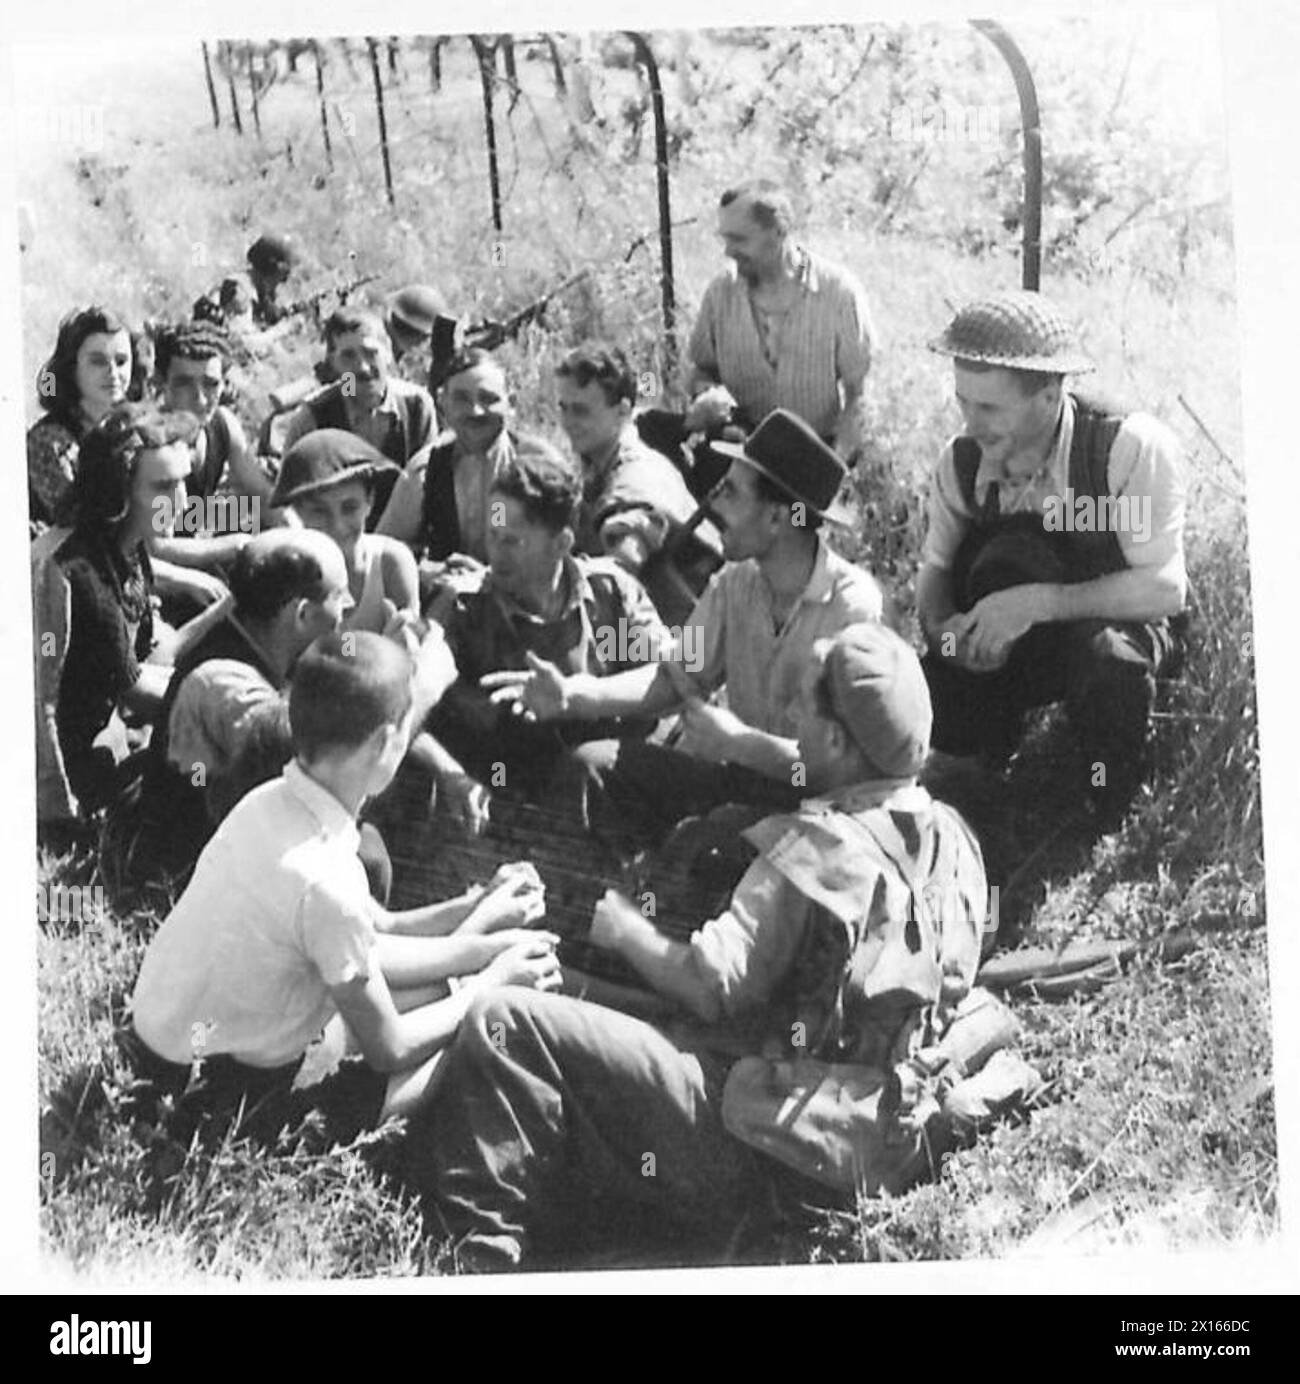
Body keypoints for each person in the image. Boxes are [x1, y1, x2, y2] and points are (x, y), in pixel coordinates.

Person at [406, 623, 991, 1271]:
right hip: (873, 1137)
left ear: (834, 740)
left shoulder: (816, 851)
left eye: (803, 705)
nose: (789, 714)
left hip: (760, 1148)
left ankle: (476, 1264)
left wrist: (621, 924)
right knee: (580, 999)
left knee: (505, 1022)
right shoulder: (954, 837)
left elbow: (708, 988)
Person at [124, 629, 563, 1149]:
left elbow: (367, 944)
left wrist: (482, 933)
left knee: (433, 995)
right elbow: (391, 1049)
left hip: (161, 1057)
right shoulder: (326, 879)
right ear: (383, 743)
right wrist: (489, 984)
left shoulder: (270, 802)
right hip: (205, 1107)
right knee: (464, 1044)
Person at [482, 409, 884, 842]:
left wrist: (741, 745)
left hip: (819, 812)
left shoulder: (851, 610)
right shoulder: (736, 584)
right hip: (742, 779)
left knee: (710, 839)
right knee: (593, 767)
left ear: (776, 519)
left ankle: (655, 896)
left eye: (730, 492)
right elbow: (674, 679)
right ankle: (592, 896)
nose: (712, 503)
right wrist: (573, 695)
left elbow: (837, 771)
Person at [915, 290, 1188, 823]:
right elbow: (935, 578)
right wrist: (949, 640)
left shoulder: (1125, 448)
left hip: (1108, 628)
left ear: (1048, 397)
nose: (971, 422)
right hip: (1009, 637)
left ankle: (1104, 801)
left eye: (989, 407)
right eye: (963, 402)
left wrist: (1037, 603)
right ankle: (981, 783)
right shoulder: (962, 462)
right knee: (927, 689)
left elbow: (1164, 588)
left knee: (1111, 665)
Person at [428, 439, 669, 811]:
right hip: (500, 788)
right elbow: (406, 707)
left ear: (562, 544)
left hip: (604, 783)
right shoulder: (464, 608)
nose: (495, 553)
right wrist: (449, 773)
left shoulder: (609, 597)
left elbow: (671, 678)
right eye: (492, 535)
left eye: (512, 541)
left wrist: (579, 696)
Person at [32, 403, 236, 827]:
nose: (179, 501)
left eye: (183, 483)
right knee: (209, 766)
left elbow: (154, 655)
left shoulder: (125, 547)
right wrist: (229, 710)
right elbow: (138, 691)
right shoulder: (81, 571)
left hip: (110, 733)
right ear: (117, 492)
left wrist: (225, 610)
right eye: (162, 487)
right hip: (68, 767)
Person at [683, 180, 877, 463]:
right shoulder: (721, 293)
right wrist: (709, 399)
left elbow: (858, 395)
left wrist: (836, 468)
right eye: (725, 239)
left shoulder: (838, 294)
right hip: (736, 455)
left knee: (796, 511)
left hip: (811, 460)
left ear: (779, 232)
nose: (728, 251)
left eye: (739, 240)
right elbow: (701, 370)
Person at [556, 344, 722, 625]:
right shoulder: (600, 462)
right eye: (564, 408)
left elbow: (623, 559)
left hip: (689, 643)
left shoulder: (636, 476)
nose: (569, 422)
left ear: (622, 411)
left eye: (581, 411)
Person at [278, 307, 437, 521]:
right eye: (348, 357)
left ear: (388, 352)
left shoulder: (416, 406)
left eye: (371, 354)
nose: (362, 368)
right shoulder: (314, 414)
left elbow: (430, 485)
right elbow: (291, 498)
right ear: (334, 363)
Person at [376, 347, 517, 570]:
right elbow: (384, 554)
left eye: (488, 399)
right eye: (461, 399)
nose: (475, 411)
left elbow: (566, 553)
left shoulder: (536, 466)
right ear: (443, 402)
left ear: (512, 403)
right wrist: (429, 571)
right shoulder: (425, 470)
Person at [27, 306, 140, 532]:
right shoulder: (49, 440)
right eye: (98, 361)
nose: (112, 372)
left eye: (121, 361)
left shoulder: (127, 426)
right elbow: (78, 526)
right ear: (71, 368)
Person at [194, 232, 297, 330]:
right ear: (272, 271)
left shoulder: (258, 290)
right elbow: (243, 342)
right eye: (281, 279)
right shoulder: (240, 292)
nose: (278, 286)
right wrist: (287, 328)